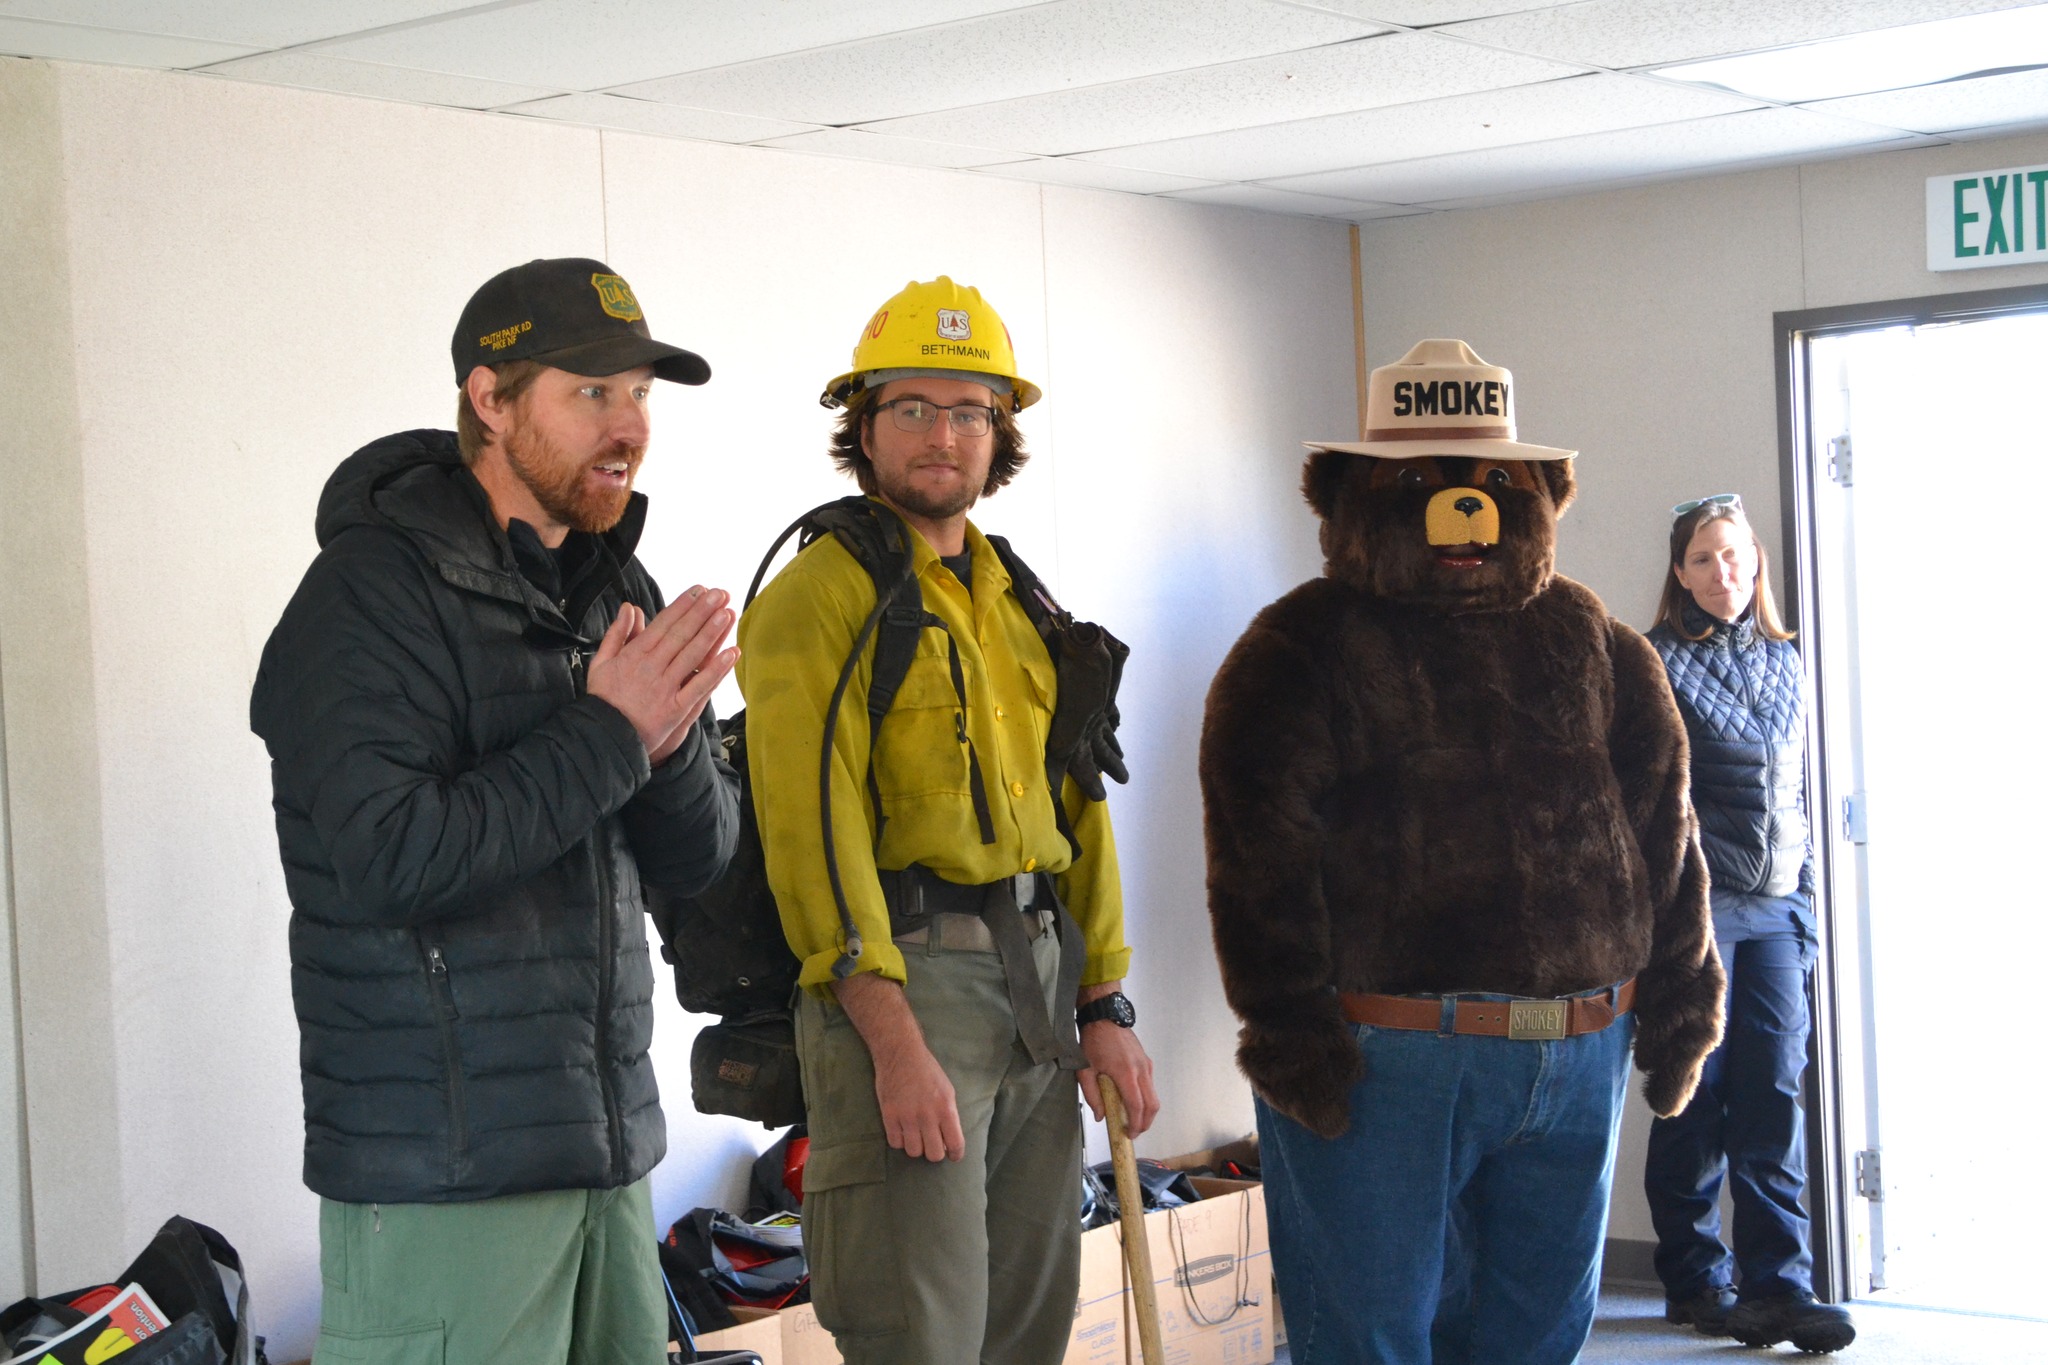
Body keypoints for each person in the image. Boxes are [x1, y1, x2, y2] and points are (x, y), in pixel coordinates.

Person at [250, 257, 741, 1365]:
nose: (628, 427)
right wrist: (610, 733)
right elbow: (392, 858)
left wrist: (657, 746)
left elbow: (699, 857)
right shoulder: (368, 597)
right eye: (591, 393)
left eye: (641, 396)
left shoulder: (617, 587)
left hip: (605, 1165)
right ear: (490, 398)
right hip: (443, 1180)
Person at [1201, 339, 1725, 1364]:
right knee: (1369, 1337)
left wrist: (1679, 1003)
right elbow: (1257, 864)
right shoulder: (1297, 648)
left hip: (1579, 1051)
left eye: (1490, 482)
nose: (1460, 506)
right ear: (1352, 496)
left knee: (1537, 1336)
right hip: (1384, 1057)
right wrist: (1290, 1037)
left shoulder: (1599, 642)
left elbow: (1666, 835)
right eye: (1419, 481)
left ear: (1536, 496)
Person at [737, 276, 1159, 1365]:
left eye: (969, 410)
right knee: (919, 1336)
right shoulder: (821, 595)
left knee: (1027, 1329)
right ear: (863, 429)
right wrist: (887, 1038)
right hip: (906, 992)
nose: (942, 435)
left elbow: (1079, 811)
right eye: (911, 409)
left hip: (1038, 996)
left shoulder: (1019, 599)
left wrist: (1105, 1000)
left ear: (999, 435)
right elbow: (809, 832)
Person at [1643, 494, 1856, 1354]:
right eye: (1701, 558)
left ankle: (1781, 1287)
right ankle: (1697, 1277)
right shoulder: (1652, 661)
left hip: (1777, 911)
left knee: (1772, 1094)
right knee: (1695, 1096)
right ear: (1679, 573)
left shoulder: (1789, 660)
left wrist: (1802, 895)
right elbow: (1645, 799)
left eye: (1733, 555)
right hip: (1697, 910)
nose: (1720, 572)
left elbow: (1798, 789)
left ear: (1755, 560)